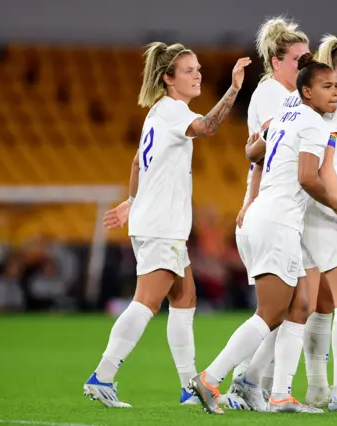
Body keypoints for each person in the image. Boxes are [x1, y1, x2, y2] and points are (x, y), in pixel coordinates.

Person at [82, 41, 251, 408]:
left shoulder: (158, 112)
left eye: (199, 69)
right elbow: (207, 127)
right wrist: (235, 88)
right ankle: (103, 375)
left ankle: (189, 387)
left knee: (185, 297)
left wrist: (131, 201)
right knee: (146, 302)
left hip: (156, 221)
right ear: (168, 79)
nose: (198, 75)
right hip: (161, 225)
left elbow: (134, 163)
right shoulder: (174, 110)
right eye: (189, 71)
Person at [190, 53, 337, 415]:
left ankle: (276, 393)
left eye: (334, 86)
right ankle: (210, 379)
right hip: (278, 221)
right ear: (307, 92)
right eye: (327, 87)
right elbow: (307, 178)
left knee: (300, 306)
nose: (334, 93)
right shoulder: (314, 122)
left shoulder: (286, 112)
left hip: (266, 216)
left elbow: (254, 150)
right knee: (269, 313)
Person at [236, 35, 337, 413]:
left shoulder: (299, 101)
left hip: (298, 213)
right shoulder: (328, 104)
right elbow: (317, 172)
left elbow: (264, 149)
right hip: (315, 207)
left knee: (304, 305)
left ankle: (256, 380)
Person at [224, 18, 310, 409]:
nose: (305, 64)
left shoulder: (292, 96)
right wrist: (250, 201)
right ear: (277, 62)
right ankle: (229, 379)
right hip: (272, 208)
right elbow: (261, 154)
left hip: (281, 207)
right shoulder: (272, 94)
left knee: (291, 307)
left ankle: (254, 382)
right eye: (299, 58)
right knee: (280, 308)